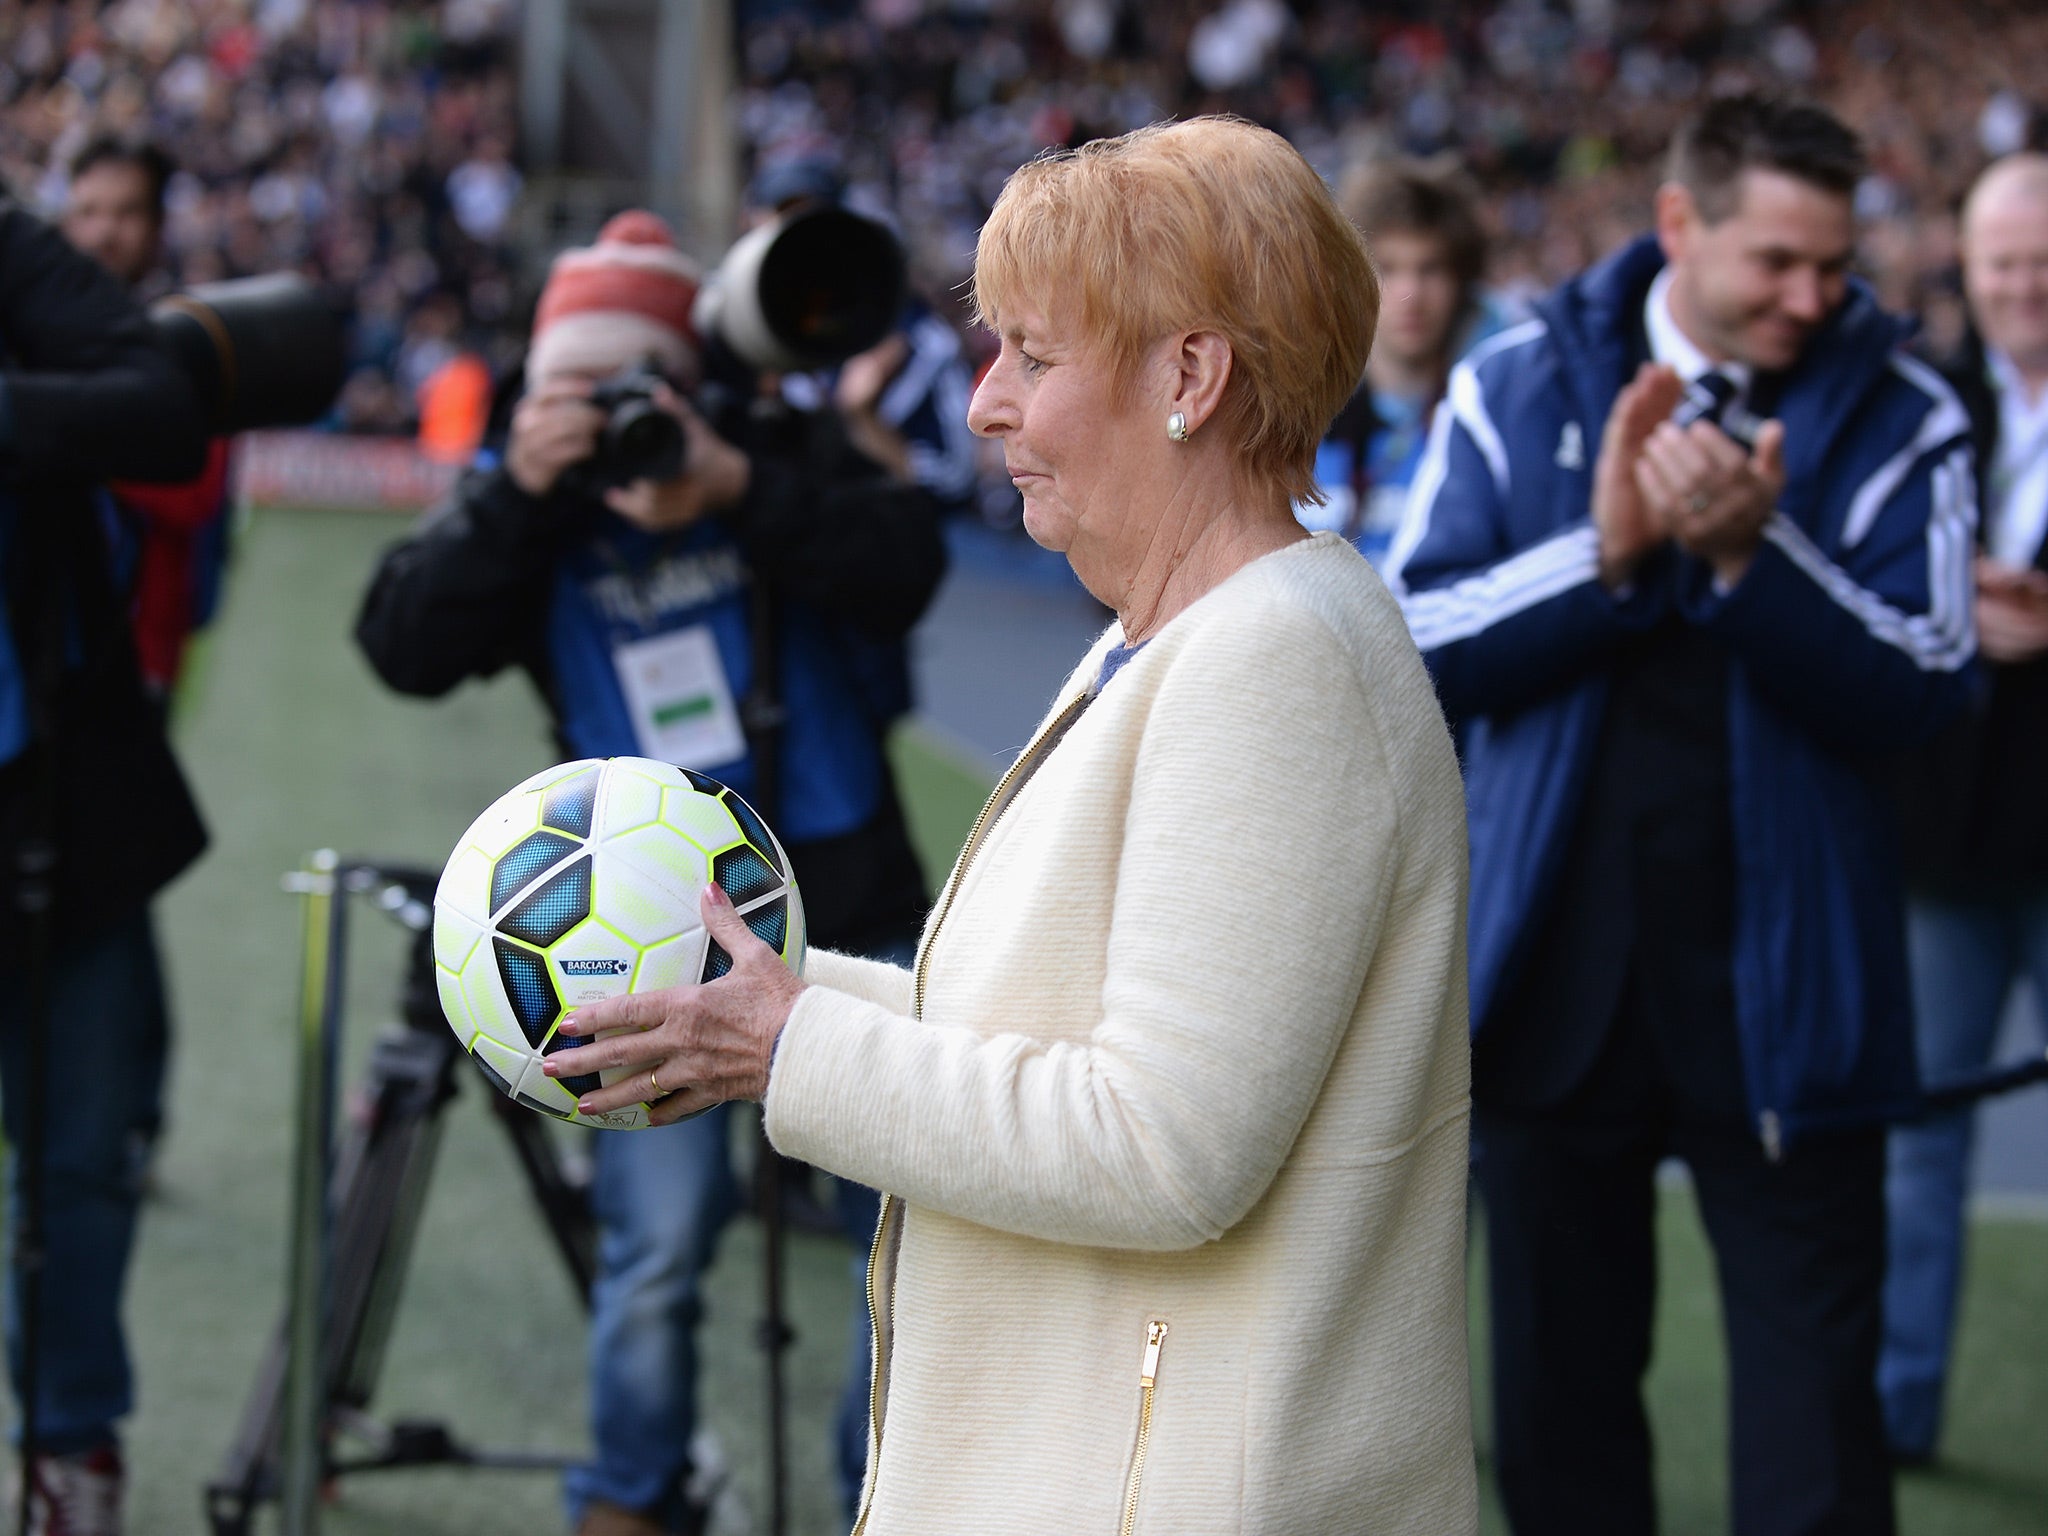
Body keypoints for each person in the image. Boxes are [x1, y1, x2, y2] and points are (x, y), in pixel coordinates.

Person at [545, 117, 1477, 1535]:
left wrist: (790, 1044)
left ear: (1191, 376)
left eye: (1032, 357)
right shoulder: (1189, 630)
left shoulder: (1268, 659)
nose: (984, 404)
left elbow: (1161, 1145)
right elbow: (1048, 1030)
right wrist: (748, 1010)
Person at [1387, 93, 1976, 1535]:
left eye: (1833, 264)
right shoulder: (1519, 380)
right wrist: (1609, 555)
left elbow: (1932, 685)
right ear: (1676, 226)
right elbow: (1403, 643)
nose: (1813, 297)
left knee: (1815, 1446)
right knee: (1559, 1416)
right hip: (1550, 984)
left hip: (1794, 995)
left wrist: (1745, 560)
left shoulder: (1905, 408)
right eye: (1776, 260)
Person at [354, 210, 944, 1536]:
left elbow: (906, 566)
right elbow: (401, 641)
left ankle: (887, 1495)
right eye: (583, 386)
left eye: (640, 385)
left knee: (898, 1243)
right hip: (628, 951)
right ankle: (629, 1494)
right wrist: (518, 484)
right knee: (659, 1248)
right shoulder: (535, 514)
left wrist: (735, 487)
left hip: (843, 908)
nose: (622, 413)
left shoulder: (764, 452)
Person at [0, 196, 209, 1535]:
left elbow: (162, 403)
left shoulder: (12, 253)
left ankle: (70, 1453)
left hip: (50, 817)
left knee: (79, 1155)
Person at [1882, 151, 2048, 1466]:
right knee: (1917, 1141)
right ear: (1968, 265)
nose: (2024, 285)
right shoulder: (1928, 401)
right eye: (2003, 262)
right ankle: (1899, 1417)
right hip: (1949, 835)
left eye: (2042, 261)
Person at [60, 133, 235, 1185]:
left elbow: (189, 489)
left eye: (123, 211)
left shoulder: (176, 345)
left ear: (158, 225)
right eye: (86, 210)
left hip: (130, 670)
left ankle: (127, 1115)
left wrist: (62, 430)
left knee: (109, 898)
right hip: (48, 666)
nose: (102, 232)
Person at [1299, 156, 1488, 570]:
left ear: (1462, 282)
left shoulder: (1488, 429)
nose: (1410, 294)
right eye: (1387, 268)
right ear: (1350, 281)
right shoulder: (1298, 428)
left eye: (1431, 268)